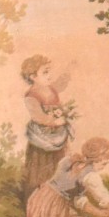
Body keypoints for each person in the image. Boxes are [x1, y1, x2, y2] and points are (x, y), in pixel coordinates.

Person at [21, 54, 73, 195]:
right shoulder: (31, 95)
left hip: (57, 135)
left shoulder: (51, 88)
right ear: (33, 77)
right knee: (42, 166)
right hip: (42, 137)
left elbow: (61, 84)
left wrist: (69, 71)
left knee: (60, 163)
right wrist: (54, 121)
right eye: (45, 72)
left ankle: (59, 194)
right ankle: (39, 196)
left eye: (49, 71)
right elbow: (37, 117)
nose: (49, 75)